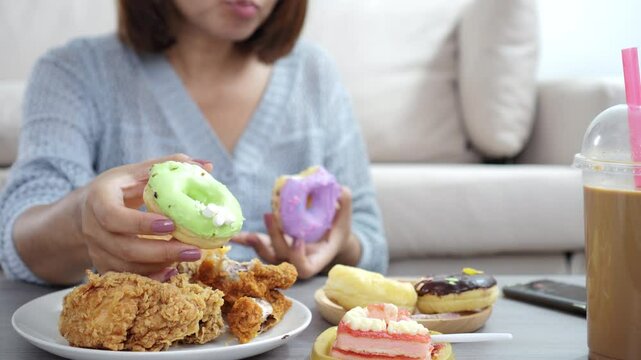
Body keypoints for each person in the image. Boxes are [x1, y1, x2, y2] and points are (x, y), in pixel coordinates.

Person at [0, 0, 387, 285]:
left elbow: (371, 240)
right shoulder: (74, 72)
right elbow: (18, 242)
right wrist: (81, 219)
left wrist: (338, 246)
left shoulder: (314, 73)